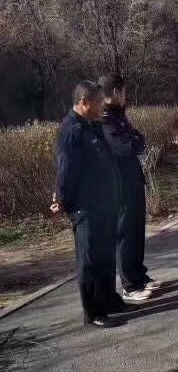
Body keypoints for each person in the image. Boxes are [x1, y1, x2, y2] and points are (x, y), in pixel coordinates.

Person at [52, 81, 126, 327]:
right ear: (84, 102)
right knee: (89, 258)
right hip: (86, 205)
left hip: (103, 202)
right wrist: (62, 200)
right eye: (98, 102)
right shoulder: (72, 130)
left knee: (105, 254)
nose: (103, 106)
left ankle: (109, 299)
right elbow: (66, 169)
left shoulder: (91, 126)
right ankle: (93, 312)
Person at [98, 74, 161, 302]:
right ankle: (129, 284)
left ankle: (139, 274)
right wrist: (136, 142)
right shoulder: (104, 119)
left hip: (132, 179)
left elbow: (138, 139)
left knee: (137, 231)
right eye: (123, 92)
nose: (125, 96)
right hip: (119, 184)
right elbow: (126, 146)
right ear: (115, 93)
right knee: (125, 233)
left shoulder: (118, 116)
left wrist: (136, 141)